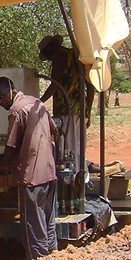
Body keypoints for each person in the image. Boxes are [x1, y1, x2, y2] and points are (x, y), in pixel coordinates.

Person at [0, 76, 59, 260]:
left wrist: (2, 166)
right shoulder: (38, 103)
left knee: (33, 227)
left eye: (2, 96)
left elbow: (11, 145)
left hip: (31, 178)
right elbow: (54, 129)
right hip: (49, 173)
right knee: (48, 223)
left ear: (12, 89)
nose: (0, 101)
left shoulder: (16, 111)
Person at [38, 34, 95, 210]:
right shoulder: (77, 56)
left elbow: (54, 84)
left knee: (67, 151)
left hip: (66, 111)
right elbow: (90, 86)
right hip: (79, 111)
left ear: (50, 49)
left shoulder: (59, 57)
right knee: (78, 150)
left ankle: (71, 190)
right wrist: (89, 111)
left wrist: (38, 102)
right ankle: (78, 191)